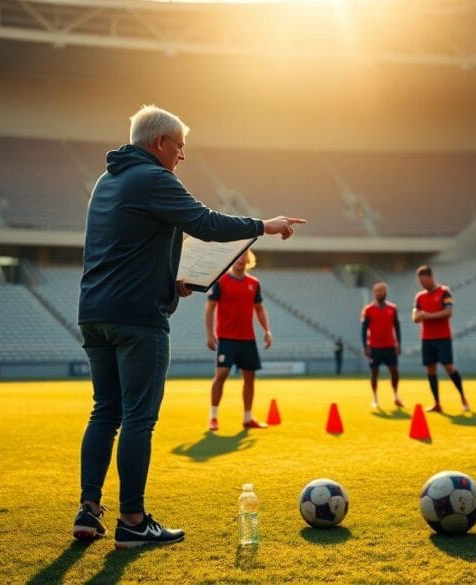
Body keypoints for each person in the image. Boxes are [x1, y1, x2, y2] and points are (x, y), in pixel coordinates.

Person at [74, 104, 305, 549]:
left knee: (105, 411)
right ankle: (133, 521)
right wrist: (265, 225)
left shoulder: (109, 180)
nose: (182, 156)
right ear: (160, 142)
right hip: (138, 318)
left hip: (95, 311)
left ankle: (88, 510)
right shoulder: (154, 178)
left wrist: (168, 278)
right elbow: (207, 223)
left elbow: (125, 248)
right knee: (139, 416)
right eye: (179, 146)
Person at [206, 250, 272, 431]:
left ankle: (248, 418)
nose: (241, 259)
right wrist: (210, 334)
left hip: (248, 339)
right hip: (227, 338)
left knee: (250, 378)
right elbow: (210, 308)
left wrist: (267, 331)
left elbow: (259, 309)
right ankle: (213, 417)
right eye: (237, 256)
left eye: (244, 256)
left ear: (249, 260)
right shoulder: (221, 281)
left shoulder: (254, 283)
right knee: (221, 375)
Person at [413, 265, 469, 413]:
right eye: (420, 283)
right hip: (427, 338)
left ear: (431, 277)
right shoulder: (419, 297)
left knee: (449, 367)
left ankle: (463, 397)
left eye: (424, 281)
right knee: (431, 369)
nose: (423, 285)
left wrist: (427, 315)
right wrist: (422, 315)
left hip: (443, 337)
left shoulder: (444, 292)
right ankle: (437, 403)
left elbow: (448, 312)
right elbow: (415, 317)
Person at [361, 281, 403, 410]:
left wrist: (399, 344)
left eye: (381, 290)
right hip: (374, 346)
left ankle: (396, 396)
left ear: (385, 292)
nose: (379, 293)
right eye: (377, 291)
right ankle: (375, 398)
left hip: (390, 346)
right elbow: (363, 329)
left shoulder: (392, 308)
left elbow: (397, 326)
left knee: (394, 371)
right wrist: (365, 346)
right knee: (374, 372)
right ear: (374, 293)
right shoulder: (368, 309)